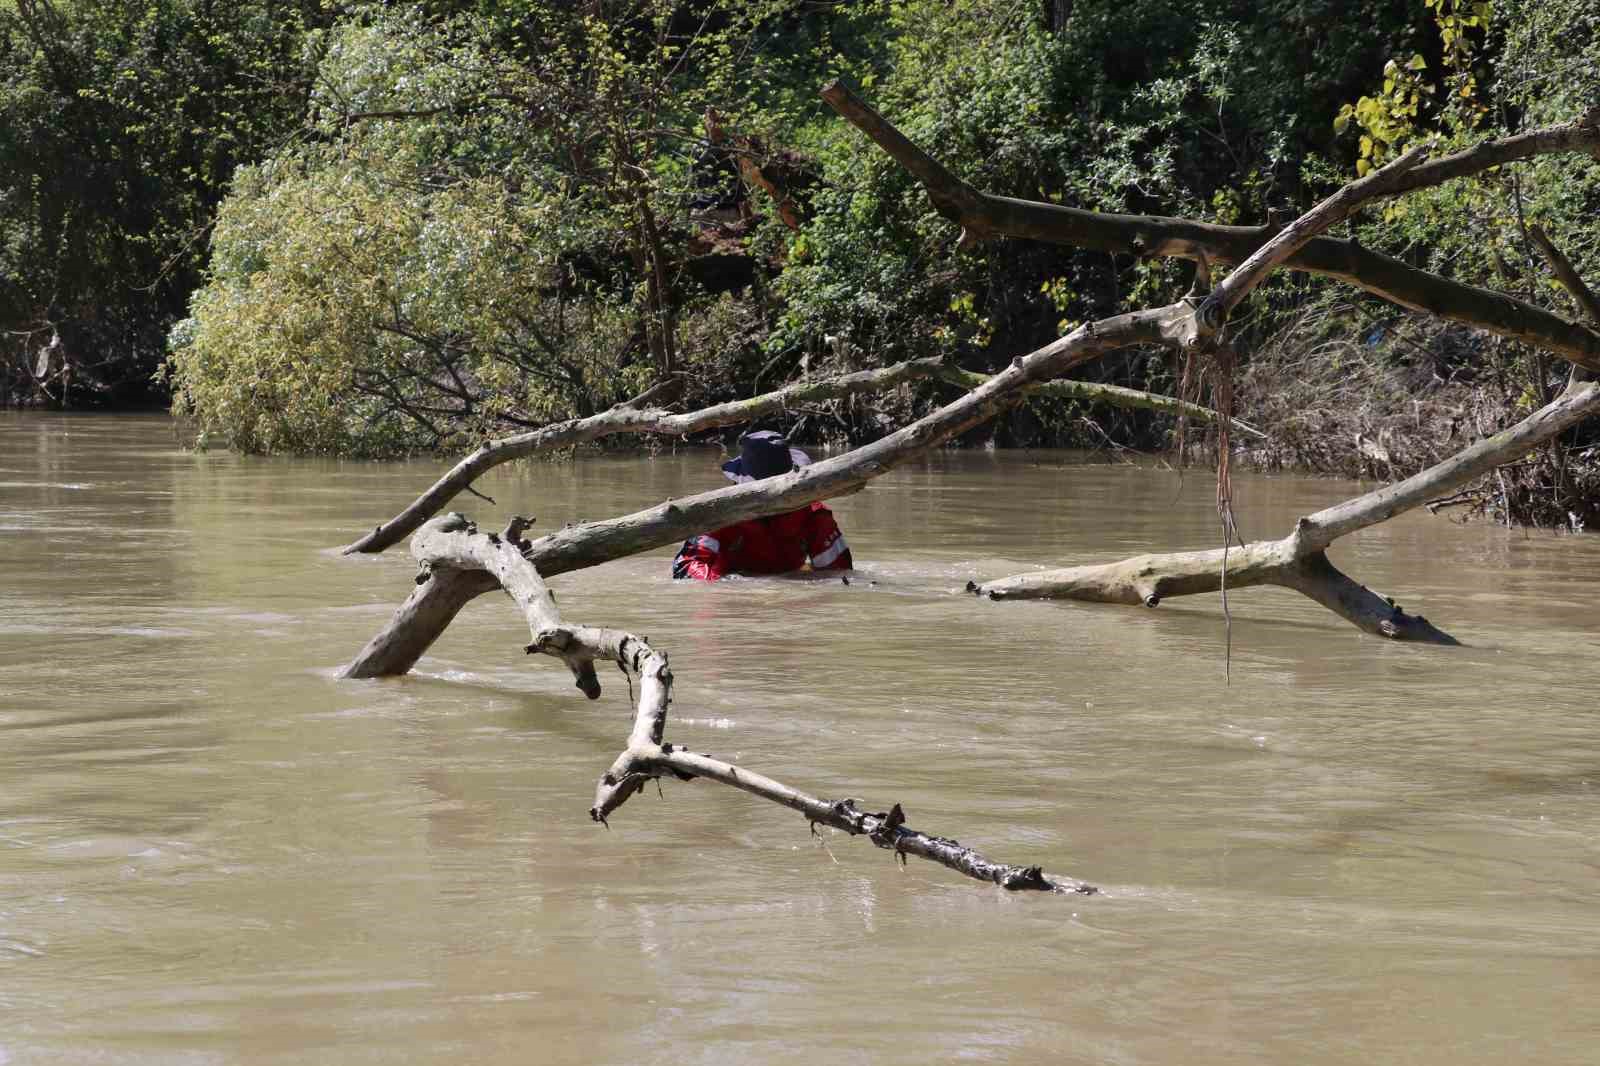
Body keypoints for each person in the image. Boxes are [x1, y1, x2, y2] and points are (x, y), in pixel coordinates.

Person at [672, 431, 853, 581]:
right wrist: (740, 588)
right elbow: (685, 570)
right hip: (731, 594)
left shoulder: (814, 515)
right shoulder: (721, 513)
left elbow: (839, 577)